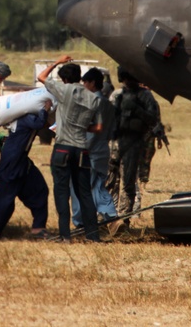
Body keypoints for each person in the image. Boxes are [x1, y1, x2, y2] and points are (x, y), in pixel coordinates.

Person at [38, 55, 102, 242]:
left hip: (63, 148)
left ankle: (65, 235)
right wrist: (81, 127)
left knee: (61, 191)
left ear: (64, 79)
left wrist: (57, 61)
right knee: (85, 193)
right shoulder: (93, 98)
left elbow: (41, 77)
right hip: (82, 149)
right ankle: (93, 236)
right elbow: (98, 128)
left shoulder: (64, 90)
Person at [70, 68, 123, 237]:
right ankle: (111, 217)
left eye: (85, 82)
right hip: (102, 150)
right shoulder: (108, 104)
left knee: (78, 187)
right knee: (98, 186)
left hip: (88, 150)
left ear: (92, 83)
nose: (84, 86)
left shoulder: (91, 103)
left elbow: (89, 132)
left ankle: (80, 222)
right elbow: (112, 129)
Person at [0, 101, 50, 239]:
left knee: (40, 189)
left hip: (21, 160)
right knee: (6, 199)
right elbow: (40, 123)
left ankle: (38, 228)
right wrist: (46, 108)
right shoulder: (25, 118)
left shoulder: (24, 118)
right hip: (12, 162)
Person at [109, 66, 160, 220]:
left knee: (128, 182)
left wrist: (137, 110)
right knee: (111, 181)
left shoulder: (146, 96)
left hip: (133, 143)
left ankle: (124, 218)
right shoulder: (117, 95)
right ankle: (110, 216)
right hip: (116, 144)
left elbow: (153, 120)